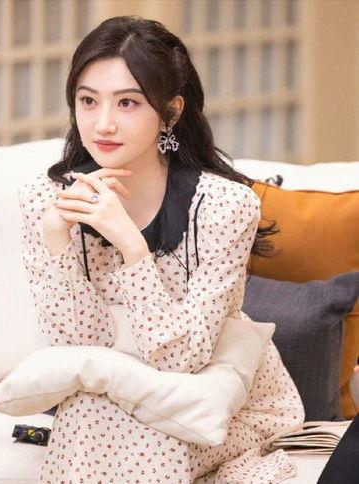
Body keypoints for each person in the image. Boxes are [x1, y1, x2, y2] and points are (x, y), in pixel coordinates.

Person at [18, 16, 305, 483]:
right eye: (88, 101)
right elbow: (79, 345)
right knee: (89, 413)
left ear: (170, 113)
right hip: (108, 401)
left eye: (127, 102)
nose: (103, 123)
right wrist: (56, 238)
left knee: (137, 432)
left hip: (221, 407)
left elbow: (180, 360)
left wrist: (132, 246)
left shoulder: (224, 207)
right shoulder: (47, 201)